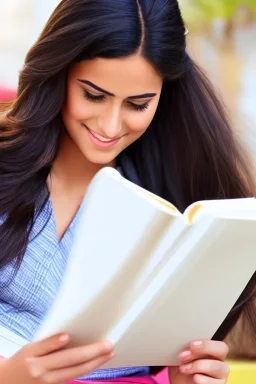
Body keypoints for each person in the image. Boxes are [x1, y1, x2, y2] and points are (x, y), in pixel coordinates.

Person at [0, 0, 255, 383]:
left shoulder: (173, 196)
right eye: (93, 95)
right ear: (60, 73)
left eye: (138, 104)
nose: (110, 124)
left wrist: (185, 375)